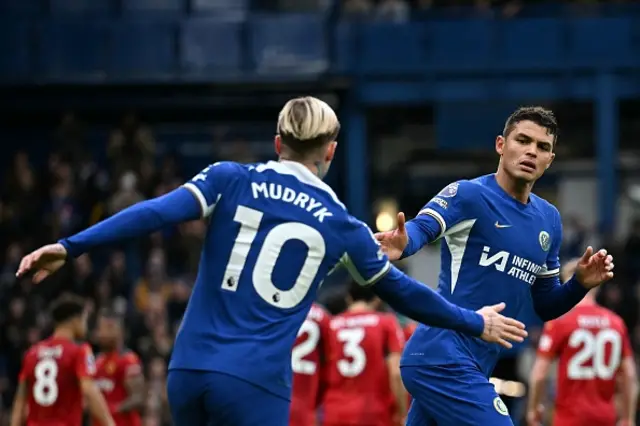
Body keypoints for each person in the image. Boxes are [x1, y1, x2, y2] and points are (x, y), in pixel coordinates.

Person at [16, 97, 527, 426]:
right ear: (330, 151)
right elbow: (403, 292)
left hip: (187, 373)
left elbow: (153, 213)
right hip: (254, 386)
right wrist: (472, 321)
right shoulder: (341, 225)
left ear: (278, 143)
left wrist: (71, 245)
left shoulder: (227, 178)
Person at [374, 106, 615, 426]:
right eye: (523, 140)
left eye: (543, 147)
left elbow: (545, 305)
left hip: (476, 363)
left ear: (550, 160)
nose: (531, 151)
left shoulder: (549, 220)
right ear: (501, 144)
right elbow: (423, 227)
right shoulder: (469, 194)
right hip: (442, 355)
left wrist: (579, 284)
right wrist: (405, 243)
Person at [527, 259, 637, 426]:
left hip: (569, 418)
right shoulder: (616, 323)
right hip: (605, 417)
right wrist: (628, 418)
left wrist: (533, 409)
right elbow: (629, 375)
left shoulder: (560, 322)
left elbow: (539, 374)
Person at [10, 294, 115, 426]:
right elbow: (89, 390)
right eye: (84, 319)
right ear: (74, 321)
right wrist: (110, 423)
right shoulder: (79, 351)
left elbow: (20, 400)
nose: (85, 326)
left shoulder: (32, 353)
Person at [322, 282, 407, 426]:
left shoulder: (331, 325)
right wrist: (403, 412)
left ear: (348, 298)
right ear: (377, 299)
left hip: (334, 412)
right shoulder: (386, 323)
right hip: (373, 412)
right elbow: (396, 373)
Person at [93, 310, 145, 426]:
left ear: (119, 332)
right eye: (100, 329)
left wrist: (111, 410)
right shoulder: (96, 362)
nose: (102, 333)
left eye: (108, 328)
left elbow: (138, 398)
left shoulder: (128, 360)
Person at [289, 303, 331, 426]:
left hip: (271, 396)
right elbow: (329, 364)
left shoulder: (271, 307)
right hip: (305, 402)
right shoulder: (323, 317)